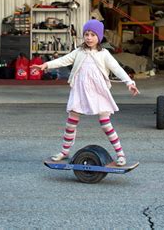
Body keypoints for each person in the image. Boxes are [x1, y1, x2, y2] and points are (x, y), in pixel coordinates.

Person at [32, 19, 139, 166]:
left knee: (106, 124)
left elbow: (117, 69)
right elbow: (63, 60)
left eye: (93, 35)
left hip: (98, 91)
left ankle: (120, 154)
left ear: (99, 37)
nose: (89, 37)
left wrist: (129, 82)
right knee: (71, 122)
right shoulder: (79, 51)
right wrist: (45, 65)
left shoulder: (104, 54)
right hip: (80, 90)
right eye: (86, 34)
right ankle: (64, 151)